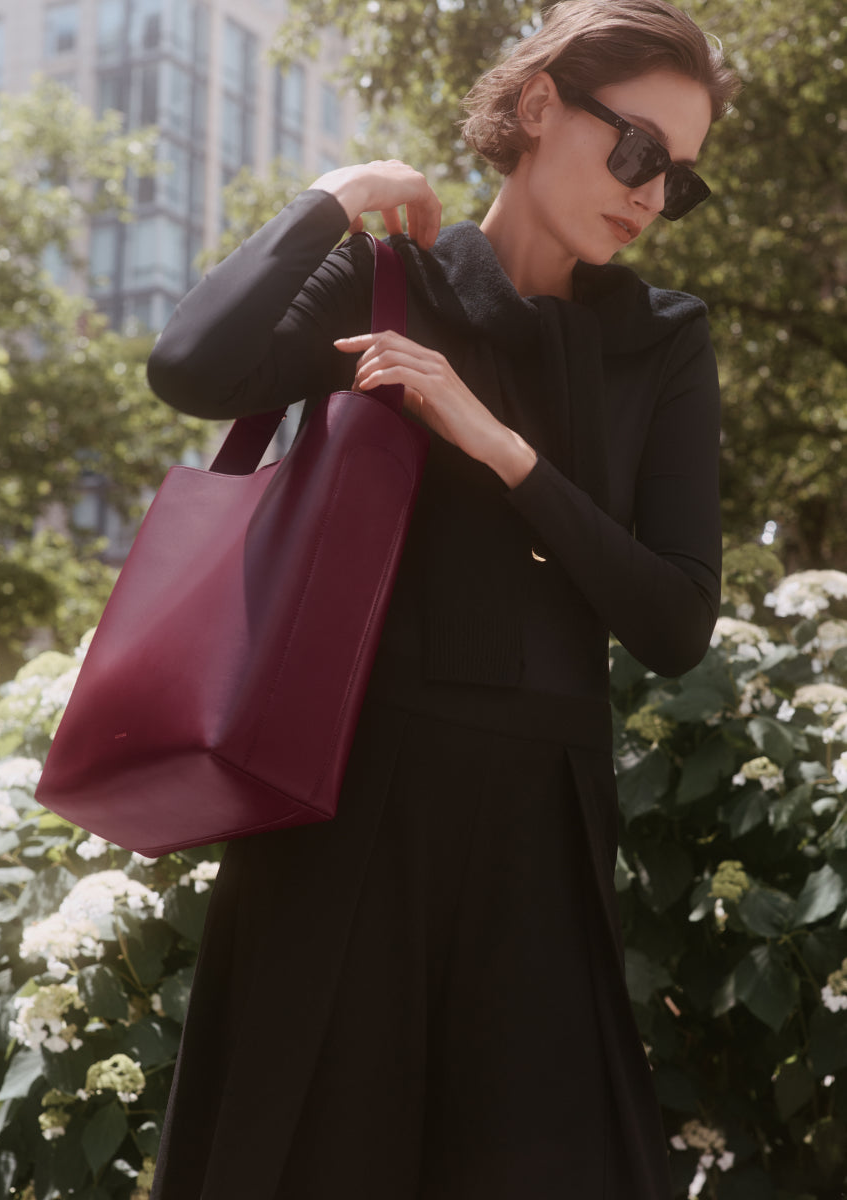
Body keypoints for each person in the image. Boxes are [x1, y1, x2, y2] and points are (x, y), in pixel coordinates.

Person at [146, 1, 739, 1196]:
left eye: (679, 182)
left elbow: (675, 622)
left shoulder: (666, 341)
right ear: (536, 108)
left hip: (541, 842)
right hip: (343, 821)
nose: (650, 196)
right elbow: (191, 368)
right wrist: (341, 190)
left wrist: (500, 448)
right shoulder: (388, 285)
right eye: (637, 153)